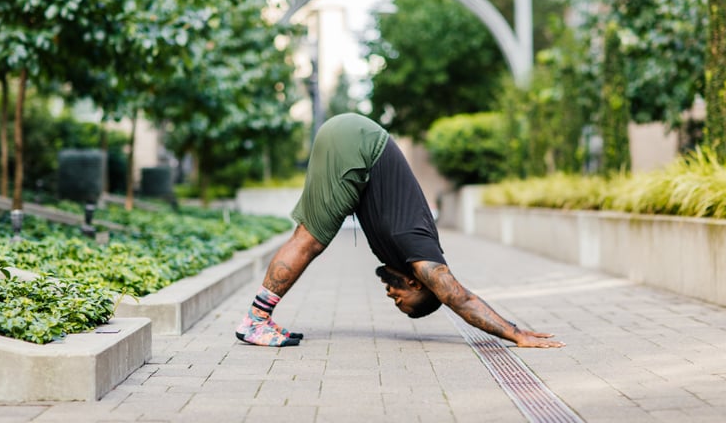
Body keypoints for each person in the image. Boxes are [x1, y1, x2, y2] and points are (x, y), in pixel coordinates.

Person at [236, 113, 565, 349]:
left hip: (354, 136)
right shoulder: (417, 249)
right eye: (402, 299)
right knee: (308, 242)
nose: (391, 296)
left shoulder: (402, 250)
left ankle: (259, 319)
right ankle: (254, 322)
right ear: (415, 282)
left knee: (308, 238)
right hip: (357, 145)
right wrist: (515, 333)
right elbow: (457, 296)